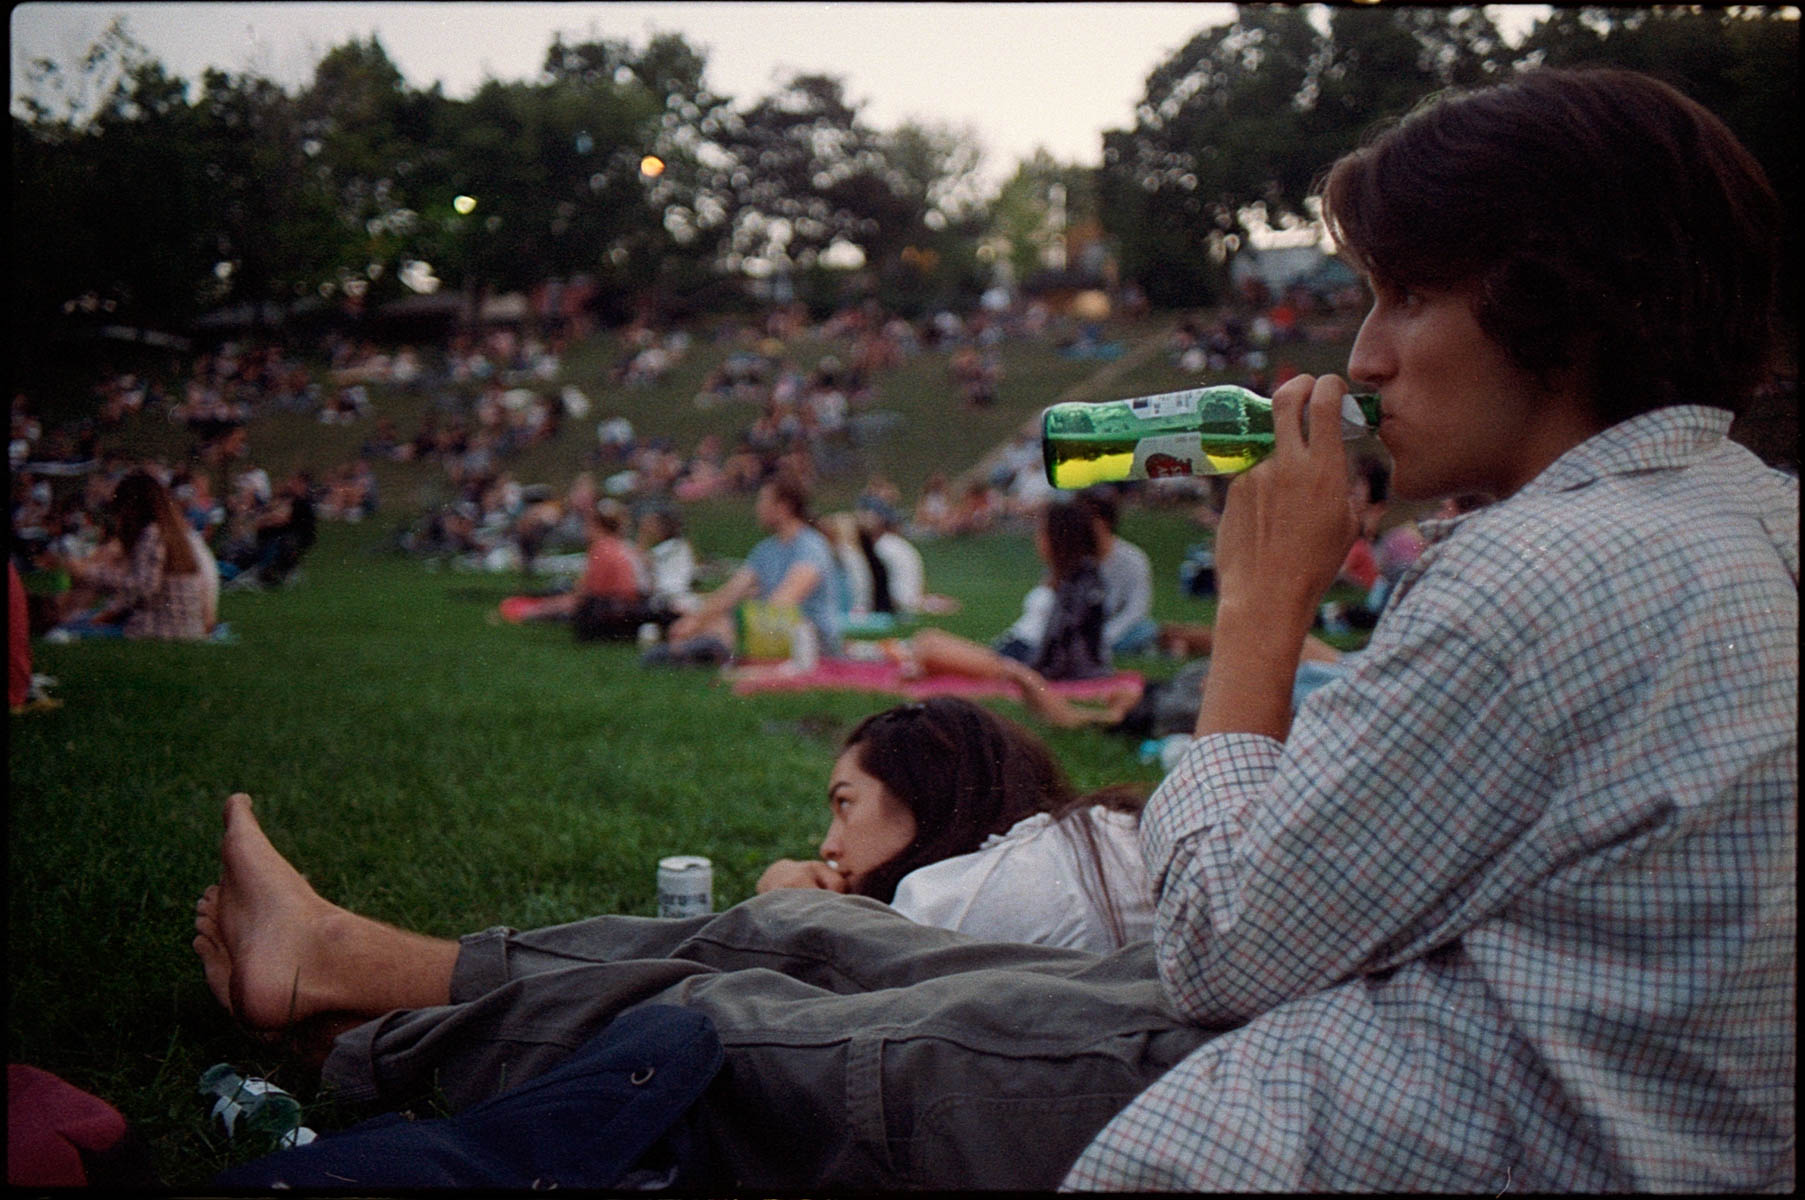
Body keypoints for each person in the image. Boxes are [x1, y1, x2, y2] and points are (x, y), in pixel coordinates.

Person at [194, 68, 1792, 1193]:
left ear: (1552, 303)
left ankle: (356, 1017)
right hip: (1410, 1026)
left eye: (1405, 298)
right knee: (812, 933)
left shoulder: (1543, 583)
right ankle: (353, 964)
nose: (1362, 355)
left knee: (759, 1017)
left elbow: (1224, 949)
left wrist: (1256, 608)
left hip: (1355, 1106)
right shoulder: (1731, 520)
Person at [753, 697, 1153, 952]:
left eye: (846, 803)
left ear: (924, 792)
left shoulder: (951, 901)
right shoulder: (1102, 829)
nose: (829, 847)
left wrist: (788, 906)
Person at [883, 499, 1137, 721]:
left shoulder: (1080, 581)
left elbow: (1067, 645)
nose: (1037, 539)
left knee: (929, 643)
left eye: (1042, 533)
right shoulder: (1061, 576)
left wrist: (1030, 677)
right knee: (928, 643)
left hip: (1023, 662)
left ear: (1058, 537)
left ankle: (931, 664)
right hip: (1014, 652)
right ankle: (932, 664)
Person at [654, 471, 842, 665]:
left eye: (763, 502)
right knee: (711, 626)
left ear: (783, 507)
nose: (758, 508)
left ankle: (710, 650)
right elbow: (730, 593)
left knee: (721, 629)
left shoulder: (811, 547)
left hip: (811, 639)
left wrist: (731, 624)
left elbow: (783, 603)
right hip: (773, 631)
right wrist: (695, 621)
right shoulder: (765, 550)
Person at [50, 470, 214, 641]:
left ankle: (56, 613)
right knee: (81, 619)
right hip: (185, 627)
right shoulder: (169, 532)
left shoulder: (152, 534)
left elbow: (143, 587)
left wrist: (88, 573)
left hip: (160, 628)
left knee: (68, 627)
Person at [1074, 486, 1158, 657]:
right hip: (1082, 628)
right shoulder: (1075, 556)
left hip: (1119, 628)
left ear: (1104, 522)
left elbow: (1137, 608)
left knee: (1146, 630)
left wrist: (1107, 636)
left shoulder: (1133, 559)